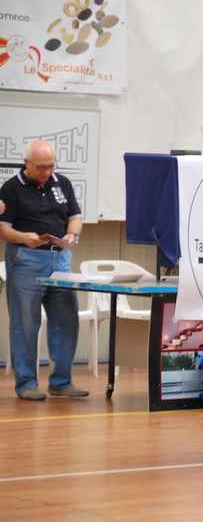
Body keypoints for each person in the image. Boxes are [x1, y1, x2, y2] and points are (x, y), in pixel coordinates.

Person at [0, 140, 88, 401]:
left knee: (66, 320)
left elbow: (75, 217)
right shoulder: (11, 188)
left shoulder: (62, 183)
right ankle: (26, 383)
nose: (47, 172)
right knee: (26, 322)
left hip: (60, 258)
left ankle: (61, 382)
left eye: (51, 166)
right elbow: (3, 228)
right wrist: (23, 237)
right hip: (26, 258)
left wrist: (72, 234)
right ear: (26, 163)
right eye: (41, 167)